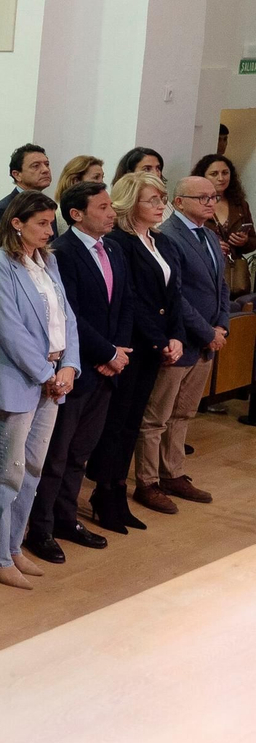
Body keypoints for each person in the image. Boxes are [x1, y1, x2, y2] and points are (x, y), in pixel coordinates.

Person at [0, 190, 78, 589]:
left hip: (51, 377)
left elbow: (67, 316)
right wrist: (45, 372)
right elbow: (9, 329)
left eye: (51, 223)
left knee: (32, 469)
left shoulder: (47, 261)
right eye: (42, 223)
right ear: (17, 223)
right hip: (17, 379)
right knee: (4, 472)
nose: (50, 231)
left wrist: (70, 365)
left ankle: (14, 546)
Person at [23, 181, 130, 563]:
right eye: (102, 207)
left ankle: (67, 517)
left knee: (81, 452)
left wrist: (117, 352)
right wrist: (105, 352)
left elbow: (124, 304)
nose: (111, 212)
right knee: (57, 453)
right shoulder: (63, 253)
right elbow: (71, 316)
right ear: (77, 214)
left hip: (107, 368)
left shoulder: (114, 248)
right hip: (76, 367)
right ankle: (43, 526)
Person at [86, 172, 180, 531]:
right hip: (132, 345)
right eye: (152, 200)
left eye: (162, 199)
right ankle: (105, 492)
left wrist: (176, 336)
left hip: (156, 345)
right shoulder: (121, 242)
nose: (160, 206)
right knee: (117, 423)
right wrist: (158, 339)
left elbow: (174, 294)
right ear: (131, 203)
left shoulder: (161, 242)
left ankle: (118, 490)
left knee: (133, 422)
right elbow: (133, 300)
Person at [132, 176, 230, 511]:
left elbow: (222, 286)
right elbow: (178, 296)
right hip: (183, 339)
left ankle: (173, 472)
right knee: (157, 416)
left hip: (206, 340)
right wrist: (207, 332)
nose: (209, 202)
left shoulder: (211, 236)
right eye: (201, 197)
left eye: (213, 197)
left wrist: (223, 326)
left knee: (184, 413)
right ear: (179, 201)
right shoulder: (170, 235)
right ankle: (148, 481)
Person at [193, 153, 253, 296]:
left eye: (225, 173)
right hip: (203, 273)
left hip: (233, 274)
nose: (221, 178)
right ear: (203, 176)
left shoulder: (240, 205)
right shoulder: (191, 203)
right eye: (214, 174)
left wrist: (243, 241)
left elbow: (253, 241)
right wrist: (208, 246)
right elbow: (180, 238)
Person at [0, 143, 52, 240]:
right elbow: (1, 250)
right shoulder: (3, 210)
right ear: (17, 175)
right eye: (36, 166)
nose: (45, 170)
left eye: (47, 164)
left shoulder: (47, 206)